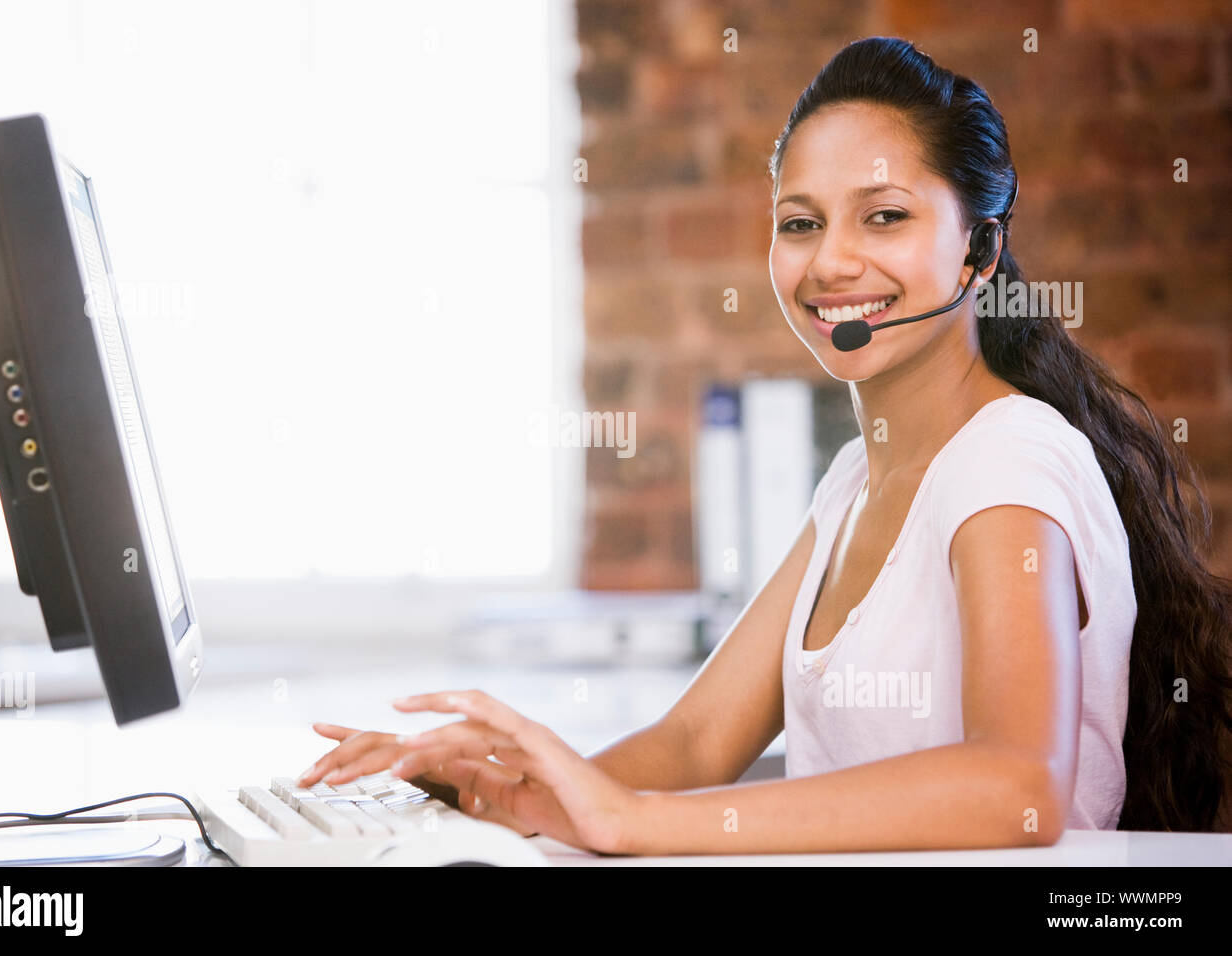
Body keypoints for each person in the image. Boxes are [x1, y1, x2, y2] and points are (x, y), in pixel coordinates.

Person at [298, 37, 1232, 854]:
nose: (831, 262)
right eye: (800, 223)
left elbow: (1018, 788)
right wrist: (501, 789)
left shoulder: (1008, 463)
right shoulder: (857, 480)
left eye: (886, 216)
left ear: (979, 254)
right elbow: (697, 743)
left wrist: (638, 824)